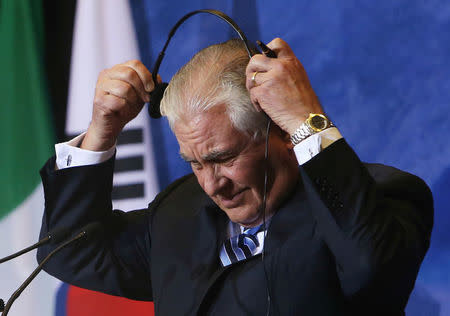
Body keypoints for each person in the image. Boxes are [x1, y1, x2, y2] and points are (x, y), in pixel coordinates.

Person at [37, 38, 433, 315]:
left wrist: (305, 118)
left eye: (223, 157)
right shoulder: (179, 212)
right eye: (194, 163)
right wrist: (101, 132)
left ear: (277, 129)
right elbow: (73, 252)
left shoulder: (381, 197)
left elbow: (373, 269)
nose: (212, 185)